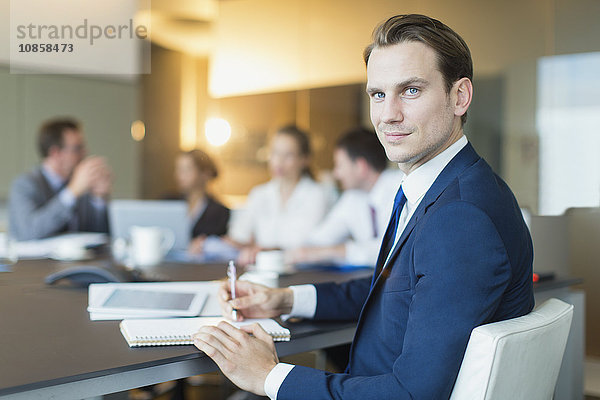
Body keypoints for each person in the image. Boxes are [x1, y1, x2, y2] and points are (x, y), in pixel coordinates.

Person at [191, 14, 535, 400]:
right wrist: (287, 299)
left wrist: (268, 376)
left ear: (460, 97)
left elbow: (411, 394)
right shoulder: (451, 186)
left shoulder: (461, 217)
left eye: (410, 91)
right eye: (377, 95)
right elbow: (398, 291)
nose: (388, 115)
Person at [286, 127, 402, 267]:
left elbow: (392, 250)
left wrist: (334, 252)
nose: (336, 174)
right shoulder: (353, 197)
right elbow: (320, 238)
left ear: (360, 166)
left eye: (339, 165)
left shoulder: (401, 188)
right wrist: (299, 252)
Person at [227, 125, 330, 266]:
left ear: (305, 159)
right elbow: (239, 235)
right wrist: (214, 243)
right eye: (275, 153)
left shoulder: (317, 194)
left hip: (303, 272)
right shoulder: (259, 194)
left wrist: (265, 249)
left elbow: (308, 243)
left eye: (288, 155)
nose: (279, 162)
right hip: (262, 270)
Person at [9, 118, 111, 241]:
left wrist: (99, 199)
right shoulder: (24, 185)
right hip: (37, 260)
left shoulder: (80, 184)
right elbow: (29, 232)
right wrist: (72, 193)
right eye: (77, 148)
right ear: (55, 153)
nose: (85, 153)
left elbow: (99, 237)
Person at [174, 149, 230, 254]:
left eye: (187, 170)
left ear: (205, 174)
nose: (180, 175)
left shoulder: (220, 212)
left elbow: (219, 246)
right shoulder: (169, 203)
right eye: (179, 170)